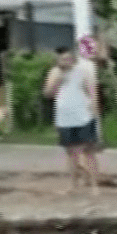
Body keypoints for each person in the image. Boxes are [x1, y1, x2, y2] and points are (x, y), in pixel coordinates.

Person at [43, 48, 101, 193]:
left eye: (68, 59)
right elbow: (48, 93)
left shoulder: (82, 71)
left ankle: (94, 186)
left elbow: (92, 91)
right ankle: (73, 185)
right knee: (71, 152)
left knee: (89, 151)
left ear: (74, 59)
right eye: (62, 59)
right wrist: (59, 77)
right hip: (64, 117)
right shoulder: (55, 72)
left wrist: (94, 110)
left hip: (83, 114)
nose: (65, 62)